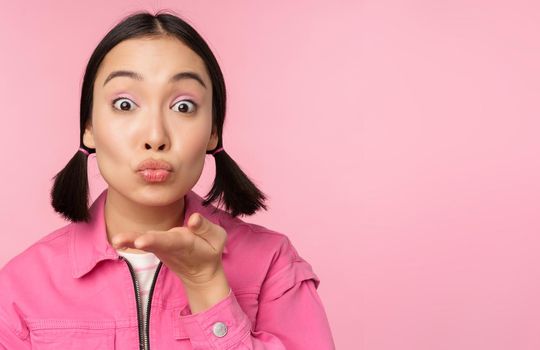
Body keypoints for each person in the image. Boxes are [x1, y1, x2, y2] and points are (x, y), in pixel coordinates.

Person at [0, 10, 335, 349]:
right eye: (125, 104)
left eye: (184, 107)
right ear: (88, 127)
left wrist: (207, 284)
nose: (155, 136)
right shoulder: (19, 288)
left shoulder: (273, 265)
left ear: (213, 132)